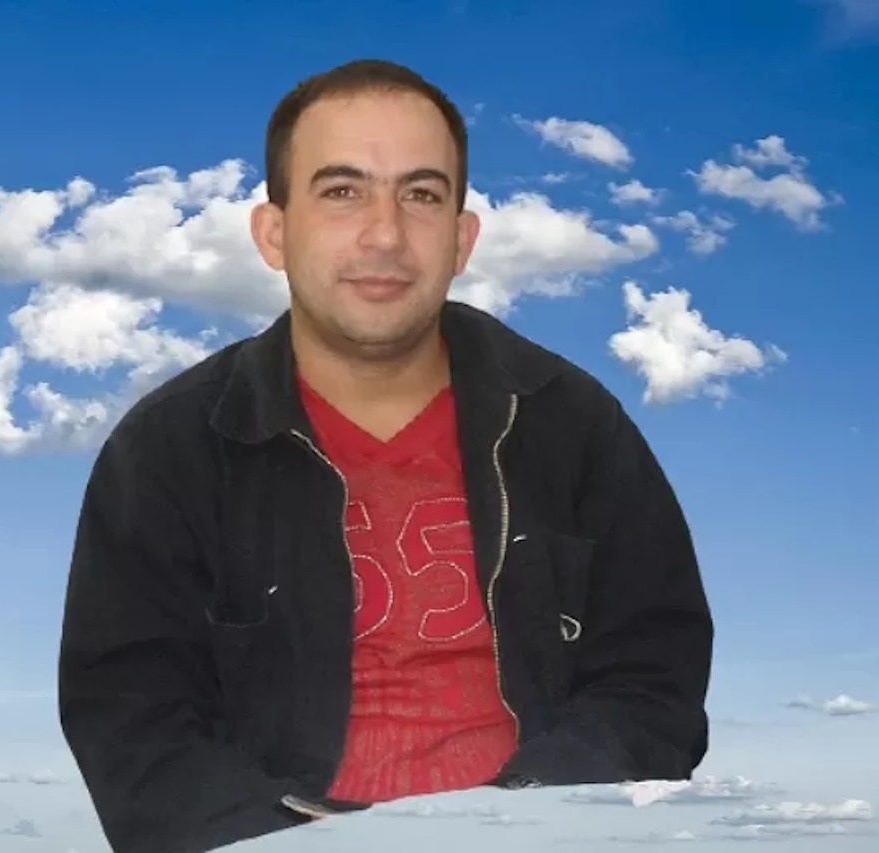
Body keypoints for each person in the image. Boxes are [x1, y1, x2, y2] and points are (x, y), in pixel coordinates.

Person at [57, 58, 714, 853]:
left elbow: (655, 676)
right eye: (342, 191)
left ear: (463, 239)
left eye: (421, 195)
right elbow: (132, 720)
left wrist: (516, 825)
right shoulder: (166, 450)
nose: (385, 234)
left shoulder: (573, 423)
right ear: (273, 232)